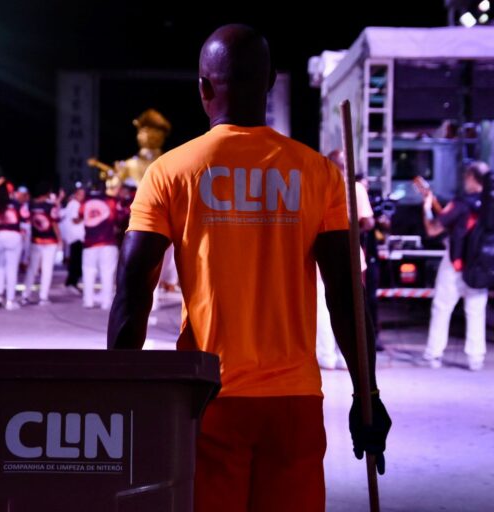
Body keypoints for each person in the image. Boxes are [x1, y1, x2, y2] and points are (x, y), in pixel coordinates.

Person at [107, 24, 390, 512]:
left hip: (207, 394)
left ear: (203, 88)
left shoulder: (171, 171)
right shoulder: (317, 172)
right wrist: (367, 395)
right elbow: (346, 293)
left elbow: (134, 293)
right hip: (295, 403)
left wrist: (116, 397)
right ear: (270, 82)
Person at [420, 162, 494, 371]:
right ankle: (475, 358)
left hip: (455, 264)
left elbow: (433, 230)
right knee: (476, 311)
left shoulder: (461, 204)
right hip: (481, 267)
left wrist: (427, 209)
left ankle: (434, 354)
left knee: (442, 308)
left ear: (470, 177)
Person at [316, 150, 375, 370]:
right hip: (350, 250)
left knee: (323, 305)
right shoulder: (356, 188)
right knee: (352, 306)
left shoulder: (318, 185)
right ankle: (348, 357)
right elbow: (368, 223)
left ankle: (326, 356)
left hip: (321, 250)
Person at [79, 186, 121, 310]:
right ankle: (106, 302)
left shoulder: (84, 202)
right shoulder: (111, 201)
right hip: (108, 242)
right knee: (107, 273)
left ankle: (88, 301)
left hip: (89, 243)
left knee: (88, 272)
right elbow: (117, 219)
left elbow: (80, 217)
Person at [0, 181, 24, 310]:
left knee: (0, 267)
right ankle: (10, 300)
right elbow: (25, 221)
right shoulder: (17, 205)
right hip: (13, 236)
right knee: (11, 268)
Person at [22, 183, 62, 305]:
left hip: (36, 240)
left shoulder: (30, 205)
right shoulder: (50, 206)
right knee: (47, 270)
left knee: (32, 269)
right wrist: (60, 239)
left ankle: (26, 295)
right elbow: (55, 223)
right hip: (50, 241)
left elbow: (25, 219)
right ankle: (43, 297)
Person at [60, 185, 85, 294]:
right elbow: (75, 220)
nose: (82, 196)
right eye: (80, 194)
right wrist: (88, 215)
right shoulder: (74, 204)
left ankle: (71, 283)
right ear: (76, 194)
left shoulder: (74, 204)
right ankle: (71, 283)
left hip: (76, 237)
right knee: (76, 261)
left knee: (76, 261)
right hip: (76, 237)